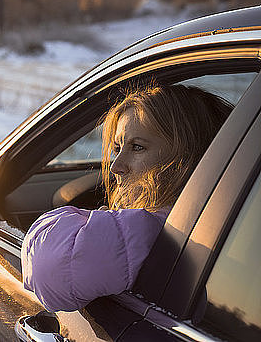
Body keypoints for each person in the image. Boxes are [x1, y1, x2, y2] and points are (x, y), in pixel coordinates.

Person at [21, 83, 234, 312]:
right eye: (117, 148)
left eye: (137, 147)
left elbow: (49, 270)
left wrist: (105, 224)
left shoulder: (150, 228)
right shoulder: (218, 220)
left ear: (188, 157)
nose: (116, 166)